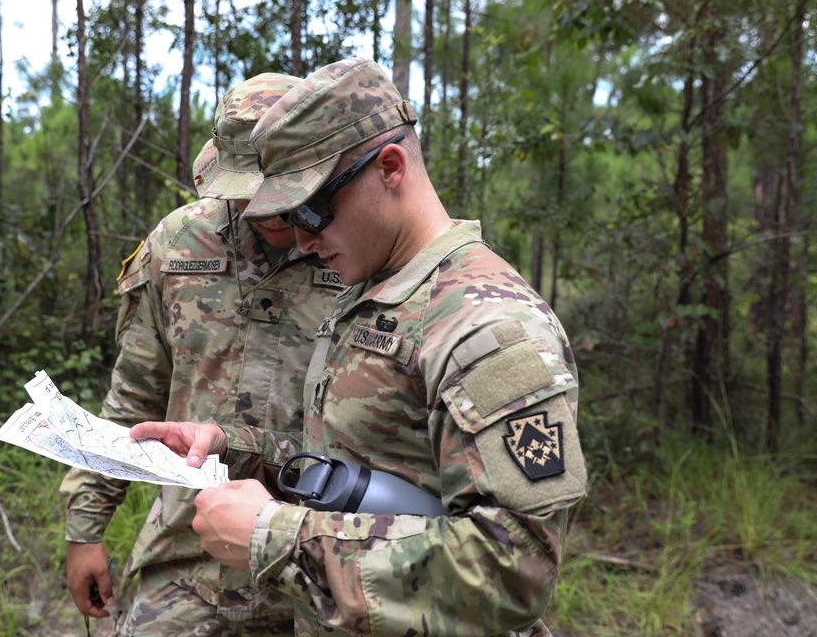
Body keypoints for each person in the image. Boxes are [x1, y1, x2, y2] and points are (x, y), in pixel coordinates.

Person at [130, 57, 588, 636]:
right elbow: (365, 467)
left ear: (390, 167)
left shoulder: (486, 328)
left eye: (310, 210)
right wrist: (233, 444)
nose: (299, 239)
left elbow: (514, 566)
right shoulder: (377, 293)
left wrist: (273, 535)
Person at [59, 72, 344, 636]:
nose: (264, 210)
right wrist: (85, 527)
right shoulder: (180, 243)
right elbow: (133, 395)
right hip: (189, 553)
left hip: (318, 557)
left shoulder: (359, 249)